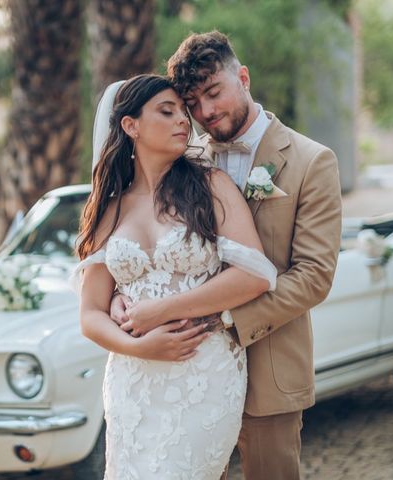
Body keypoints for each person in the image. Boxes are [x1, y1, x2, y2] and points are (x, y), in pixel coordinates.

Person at [110, 32, 343, 479]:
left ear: (243, 76)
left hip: (268, 368)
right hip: (186, 374)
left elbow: (313, 276)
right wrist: (119, 297)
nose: (205, 112)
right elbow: (140, 237)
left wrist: (224, 318)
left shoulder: (312, 161)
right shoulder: (183, 156)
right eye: (192, 103)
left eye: (214, 93)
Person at [75, 73, 278, 479]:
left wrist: (160, 311)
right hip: (132, 382)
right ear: (130, 126)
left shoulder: (211, 187)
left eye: (183, 113)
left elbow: (255, 275)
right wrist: (139, 348)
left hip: (203, 374)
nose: (183, 121)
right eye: (166, 112)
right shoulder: (108, 209)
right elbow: (91, 315)